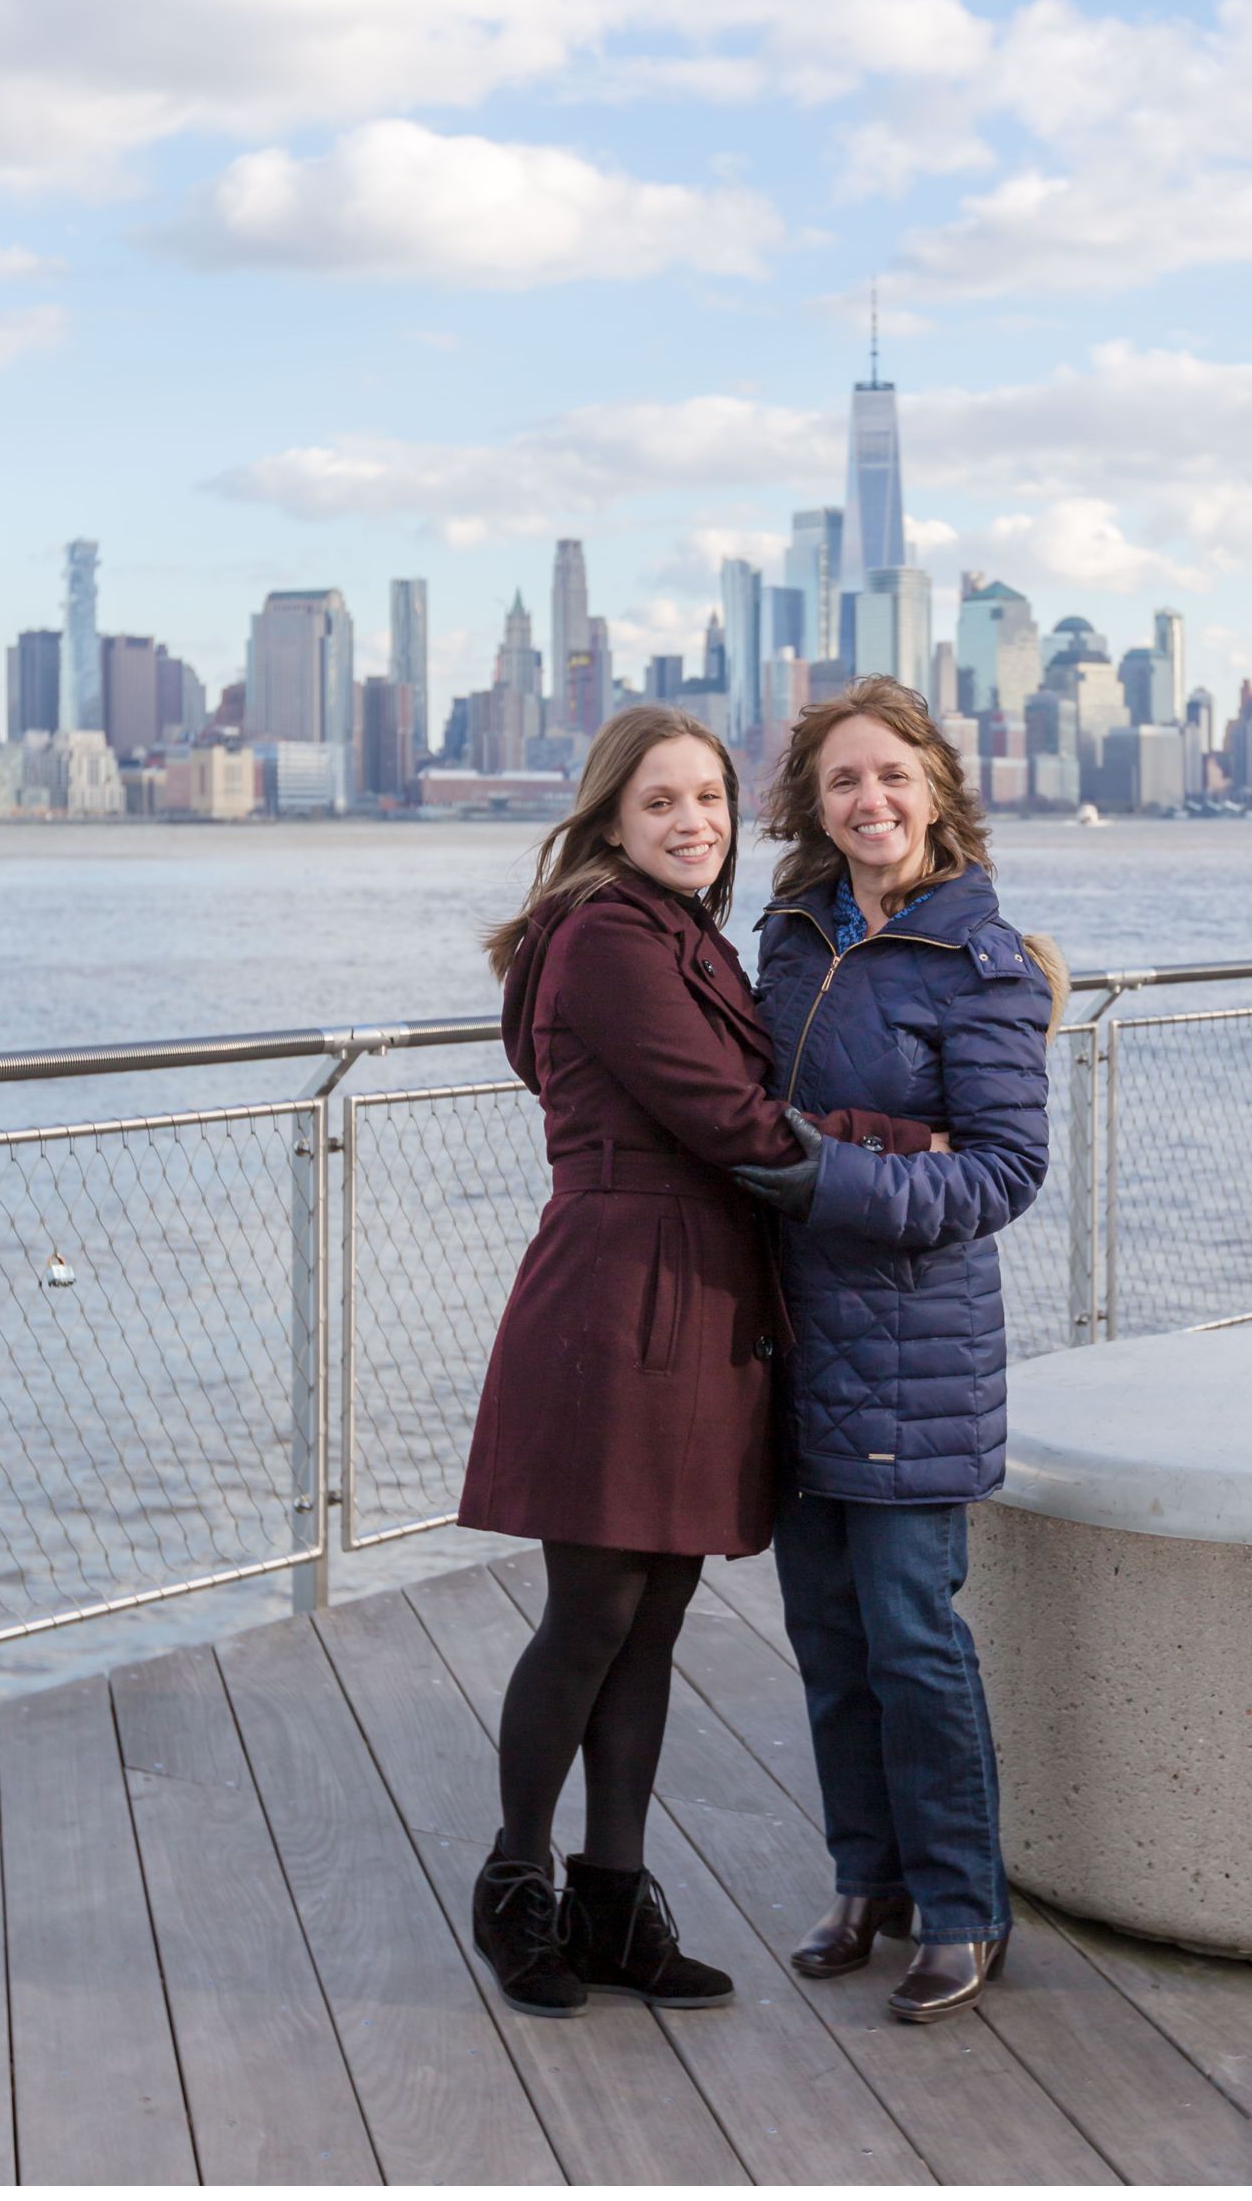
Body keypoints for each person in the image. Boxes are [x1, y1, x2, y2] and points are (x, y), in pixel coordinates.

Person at [454, 705, 931, 2020]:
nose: (692, 821)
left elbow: (746, 1104)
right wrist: (904, 1138)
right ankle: (516, 1881)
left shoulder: (686, 936)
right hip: (620, 1300)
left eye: (710, 799)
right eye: (661, 800)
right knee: (593, 1611)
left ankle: (616, 1893)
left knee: (654, 1617)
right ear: (611, 817)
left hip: (697, 1291)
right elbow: (725, 1116)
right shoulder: (607, 934)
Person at [728, 675, 1060, 2024]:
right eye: (843, 779)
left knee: (914, 1635)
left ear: (937, 788)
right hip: (794, 1335)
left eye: (892, 775)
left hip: (918, 1347)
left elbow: (1004, 1170)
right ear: (814, 801)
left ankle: (965, 1905)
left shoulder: (981, 961)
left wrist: (835, 1182)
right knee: (824, 1631)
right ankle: (865, 1879)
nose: (870, 800)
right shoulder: (792, 934)